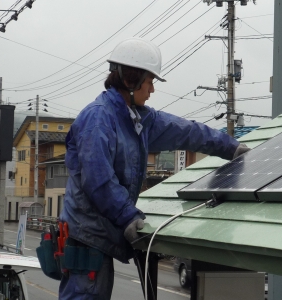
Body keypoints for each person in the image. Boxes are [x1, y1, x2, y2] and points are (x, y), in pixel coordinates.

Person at [58, 37, 250, 299]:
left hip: (99, 235)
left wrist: (230, 148)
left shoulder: (137, 119)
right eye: (149, 82)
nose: (152, 90)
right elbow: (98, 179)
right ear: (130, 80)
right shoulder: (98, 118)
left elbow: (185, 131)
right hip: (86, 239)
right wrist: (127, 216)